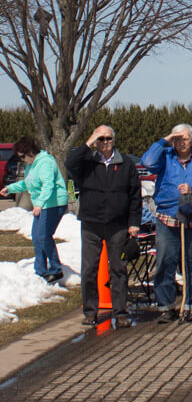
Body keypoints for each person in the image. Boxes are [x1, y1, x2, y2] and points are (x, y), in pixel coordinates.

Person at [141, 124, 192, 322]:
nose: (181, 143)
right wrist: (165, 139)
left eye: (184, 138)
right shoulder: (165, 157)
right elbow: (147, 162)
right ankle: (166, 306)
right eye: (177, 139)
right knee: (165, 262)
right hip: (168, 217)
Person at [65, 125, 141, 326]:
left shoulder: (125, 164)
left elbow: (135, 196)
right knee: (89, 269)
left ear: (114, 140)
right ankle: (90, 311)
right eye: (101, 139)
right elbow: (69, 163)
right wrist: (89, 142)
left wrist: (134, 223)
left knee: (118, 269)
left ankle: (121, 313)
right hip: (91, 224)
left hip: (118, 225)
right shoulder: (88, 163)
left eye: (108, 139)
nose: (105, 143)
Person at [1, 137, 69, 284]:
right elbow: (28, 183)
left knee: (44, 235)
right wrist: (10, 188)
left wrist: (39, 204)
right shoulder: (31, 166)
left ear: (30, 152)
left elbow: (48, 185)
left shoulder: (45, 163)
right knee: (36, 236)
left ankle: (56, 269)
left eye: (22, 156)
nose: (22, 159)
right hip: (42, 204)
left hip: (53, 203)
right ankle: (41, 271)